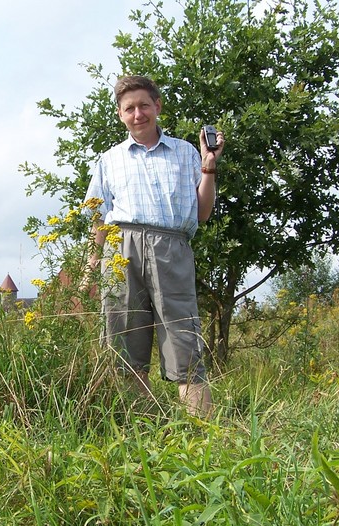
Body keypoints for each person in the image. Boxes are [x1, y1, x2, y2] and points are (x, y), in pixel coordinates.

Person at [83, 75, 224, 417]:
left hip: (171, 247)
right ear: (120, 115)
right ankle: (143, 431)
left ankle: (205, 436)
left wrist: (209, 165)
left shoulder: (185, 152)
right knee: (125, 341)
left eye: (144, 105)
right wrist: (88, 271)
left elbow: (203, 212)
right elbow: (98, 220)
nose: (138, 114)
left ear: (157, 107)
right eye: (129, 108)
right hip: (121, 249)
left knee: (183, 341)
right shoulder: (109, 160)